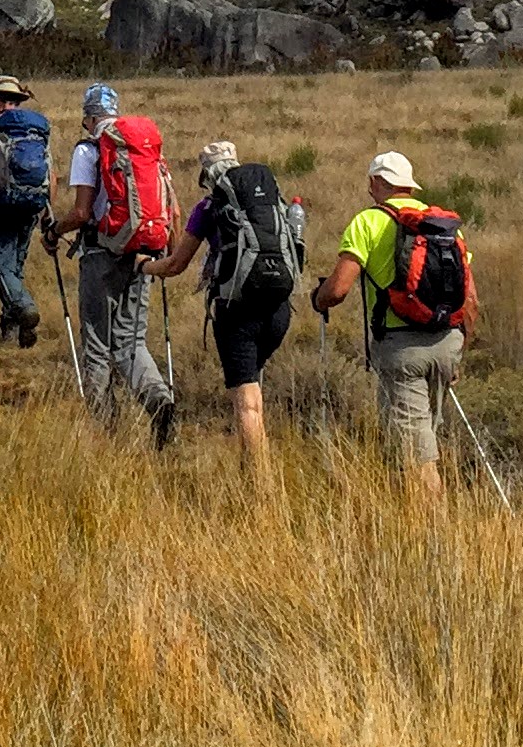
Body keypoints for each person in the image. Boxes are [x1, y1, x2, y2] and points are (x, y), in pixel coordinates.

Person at [308, 149, 472, 500]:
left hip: (403, 350)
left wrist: (318, 298)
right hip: (448, 342)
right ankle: (411, 525)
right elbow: (469, 299)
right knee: (420, 441)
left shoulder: (367, 222)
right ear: (409, 186)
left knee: (417, 461)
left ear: (377, 182)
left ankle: (435, 542)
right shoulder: (444, 226)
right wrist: (458, 354)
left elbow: (337, 290)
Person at [147, 138, 300, 470]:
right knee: (254, 388)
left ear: (207, 175)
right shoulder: (272, 203)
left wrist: (144, 266)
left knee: (246, 405)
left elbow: (176, 265)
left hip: (237, 310)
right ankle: (252, 466)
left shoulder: (208, 208)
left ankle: (260, 484)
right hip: (279, 307)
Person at [53, 83, 177, 446]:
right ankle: (157, 397)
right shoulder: (144, 148)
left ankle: (104, 429)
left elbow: (81, 212)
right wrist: (166, 256)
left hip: (100, 252)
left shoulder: (88, 149)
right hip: (142, 252)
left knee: (95, 340)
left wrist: (52, 231)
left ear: (90, 117)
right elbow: (175, 209)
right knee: (131, 340)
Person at [0, 74, 52, 347]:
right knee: (15, 264)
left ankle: (23, 307)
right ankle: (11, 328)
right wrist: (48, 207)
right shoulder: (35, 128)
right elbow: (51, 171)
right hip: (32, 203)